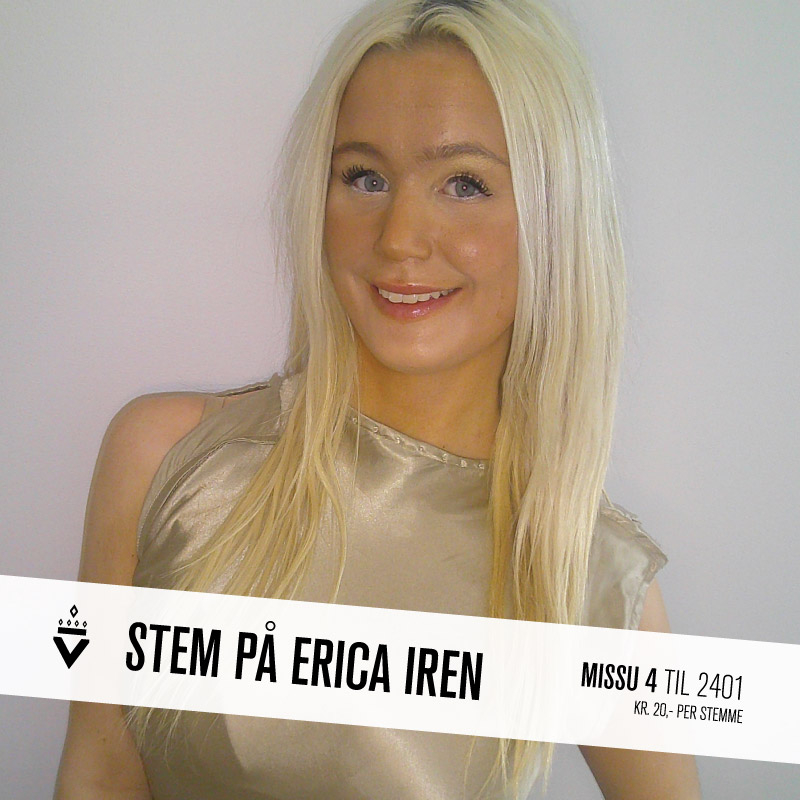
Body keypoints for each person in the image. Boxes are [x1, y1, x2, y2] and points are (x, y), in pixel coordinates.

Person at [55, 0, 702, 797]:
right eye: (365, 177)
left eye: (464, 184)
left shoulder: (586, 572)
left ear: (555, 217)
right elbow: (98, 771)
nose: (398, 237)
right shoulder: (168, 461)